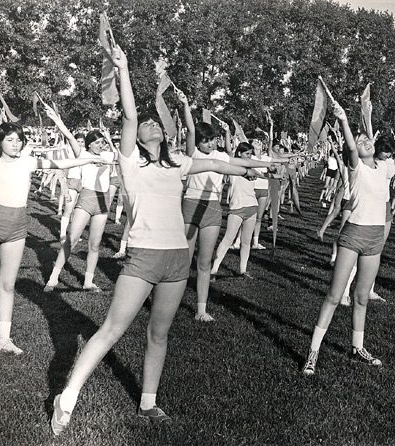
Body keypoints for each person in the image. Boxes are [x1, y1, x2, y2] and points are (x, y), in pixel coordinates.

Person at [50, 45, 259, 434]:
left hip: (177, 258)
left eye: (155, 123)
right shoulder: (130, 161)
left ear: (165, 133)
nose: (150, 124)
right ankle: (69, 396)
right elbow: (129, 113)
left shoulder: (177, 163)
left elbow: (218, 163)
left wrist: (267, 164)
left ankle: (148, 402)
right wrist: (124, 68)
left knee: (159, 333)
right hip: (144, 256)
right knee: (112, 329)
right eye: (146, 123)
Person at [0, 72, 108, 361]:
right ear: (0, 141)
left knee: (8, 284)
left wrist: (88, 158)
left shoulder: (27, 162)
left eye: (20, 140)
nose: (16, 143)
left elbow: (60, 161)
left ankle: (4, 339)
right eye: (11, 139)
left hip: (18, 226)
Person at [302, 100, 395, 376]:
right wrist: (342, 120)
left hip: (376, 238)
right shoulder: (356, 168)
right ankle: (313, 352)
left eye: (368, 139)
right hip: (354, 235)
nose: (365, 141)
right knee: (333, 295)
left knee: (361, 297)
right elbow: (352, 147)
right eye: (362, 139)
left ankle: (357, 347)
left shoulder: (384, 168)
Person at [182, 101, 278, 321]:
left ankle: (201, 310)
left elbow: (243, 161)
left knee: (204, 262)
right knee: (184, 261)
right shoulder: (192, 153)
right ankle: (171, 297)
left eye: (212, 139)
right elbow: (190, 129)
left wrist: (266, 166)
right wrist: (186, 105)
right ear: (198, 141)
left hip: (212, 207)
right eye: (204, 140)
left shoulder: (221, 156)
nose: (209, 143)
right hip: (191, 204)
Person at [43, 112, 118, 293]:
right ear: (89, 143)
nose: (101, 145)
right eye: (98, 142)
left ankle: (88, 281)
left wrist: (110, 140)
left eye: (103, 142)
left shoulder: (109, 156)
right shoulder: (82, 153)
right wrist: (57, 120)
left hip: (102, 203)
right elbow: (69, 136)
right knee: (72, 239)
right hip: (85, 199)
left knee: (94, 244)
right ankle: (53, 278)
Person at [209, 142, 266, 280]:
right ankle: (213, 270)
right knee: (228, 239)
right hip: (236, 208)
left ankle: (243, 270)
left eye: (250, 154)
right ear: (239, 153)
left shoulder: (251, 168)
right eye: (247, 153)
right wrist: (228, 132)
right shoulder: (232, 167)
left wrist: (276, 176)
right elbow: (228, 151)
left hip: (252, 207)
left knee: (246, 242)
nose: (249, 156)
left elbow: (264, 175)